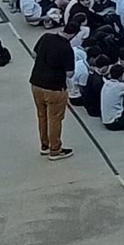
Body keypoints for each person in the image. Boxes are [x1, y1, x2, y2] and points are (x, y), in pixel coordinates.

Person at [30, 27, 75, 159]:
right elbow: (70, 73)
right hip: (54, 88)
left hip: (36, 83)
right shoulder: (67, 48)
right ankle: (55, 149)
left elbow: (34, 54)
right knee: (54, 119)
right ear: (73, 34)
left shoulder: (46, 37)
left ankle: (45, 145)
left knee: (42, 116)